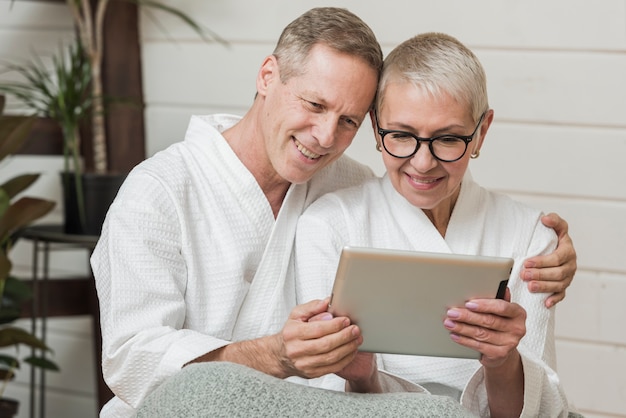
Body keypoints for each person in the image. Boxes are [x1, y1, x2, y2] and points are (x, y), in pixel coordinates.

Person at [92, 8, 576, 417]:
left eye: (347, 120)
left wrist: (554, 255)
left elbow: (413, 206)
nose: (325, 137)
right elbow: (129, 359)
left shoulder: (347, 181)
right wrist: (275, 355)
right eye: (313, 104)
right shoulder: (158, 192)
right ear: (267, 76)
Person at [294, 32, 572, 417]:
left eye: (448, 139)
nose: (423, 163)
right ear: (376, 128)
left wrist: (502, 362)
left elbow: (539, 410)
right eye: (402, 135)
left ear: (482, 131)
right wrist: (361, 376)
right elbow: (325, 402)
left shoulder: (529, 236)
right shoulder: (330, 225)